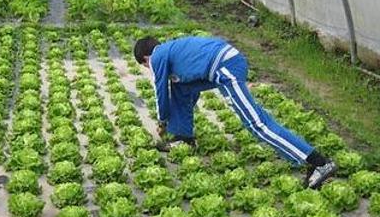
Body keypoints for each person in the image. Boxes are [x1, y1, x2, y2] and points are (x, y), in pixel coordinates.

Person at [133, 36, 337, 189]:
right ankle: (184, 138)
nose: (148, 69)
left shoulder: (158, 56)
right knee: (181, 88)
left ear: (146, 58)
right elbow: (185, 90)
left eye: (145, 66)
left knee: (258, 124)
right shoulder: (172, 51)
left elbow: (160, 90)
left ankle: (319, 162)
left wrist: (162, 121)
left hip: (226, 66)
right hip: (220, 65)